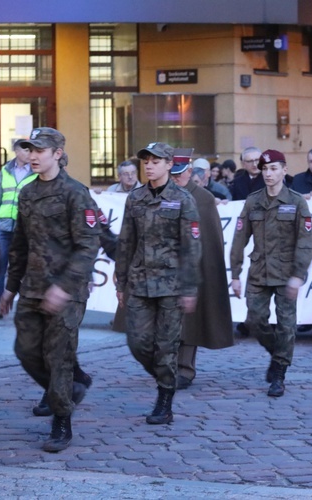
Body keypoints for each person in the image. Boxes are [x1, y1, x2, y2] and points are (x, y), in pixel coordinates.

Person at [0, 128, 101, 452]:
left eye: (39, 150)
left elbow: (87, 246)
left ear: (57, 153)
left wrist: (65, 286)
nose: (32, 156)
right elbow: (19, 244)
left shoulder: (75, 193)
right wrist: (10, 288)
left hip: (66, 292)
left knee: (58, 356)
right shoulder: (27, 193)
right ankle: (71, 387)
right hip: (32, 287)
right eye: (29, 149)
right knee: (26, 351)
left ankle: (61, 420)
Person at [116, 142, 201, 424]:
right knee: (137, 342)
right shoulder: (136, 198)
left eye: (155, 160)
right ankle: (166, 375)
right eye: (146, 161)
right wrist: (121, 281)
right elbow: (126, 241)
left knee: (167, 345)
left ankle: (164, 400)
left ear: (169, 164)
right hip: (140, 282)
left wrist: (189, 289)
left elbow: (192, 247)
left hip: (171, 285)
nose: (149, 165)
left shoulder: (183, 199)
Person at [230, 149, 312, 397]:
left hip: (287, 272)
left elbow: (307, 241)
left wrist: (298, 274)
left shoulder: (297, 202)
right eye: (265, 169)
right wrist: (235, 273)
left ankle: (278, 373)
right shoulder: (253, 201)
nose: (268, 173)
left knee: (287, 325)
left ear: (284, 170)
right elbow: (239, 238)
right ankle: (278, 353)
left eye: (274, 169)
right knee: (254, 321)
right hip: (259, 271)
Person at [170, 162, 234, 390]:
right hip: (164, 268)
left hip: (192, 268)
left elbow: (211, 239)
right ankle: (167, 366)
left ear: (189, 172)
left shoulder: (204, 199)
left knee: (189, 322)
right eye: (172, 174)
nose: (175, 178)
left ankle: (184, 368)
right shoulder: (158, 194)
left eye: (179, 174)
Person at [0, 139, 36, 319]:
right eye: (25, 150)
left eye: (31, 150)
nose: (29, 153)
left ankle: (28, 308)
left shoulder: (35, 171)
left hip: (25, 229)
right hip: (4, 228)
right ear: (16, 151)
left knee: (27, 268)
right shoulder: (5, 171)